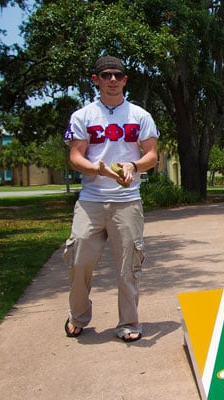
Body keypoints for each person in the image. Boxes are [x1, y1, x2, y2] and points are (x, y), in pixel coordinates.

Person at [62, 55, 160, 343]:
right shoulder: (83, 116)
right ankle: (78, 316)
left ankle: (128, 322)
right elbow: (75, 156)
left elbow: (152, 154)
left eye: (118, 75)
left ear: (125, 80)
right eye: (106, 75)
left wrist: (134, 166)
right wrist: (97, 170)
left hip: (127, 201)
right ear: (96, 80)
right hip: (91, 200)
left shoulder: (140, 116)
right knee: (79, 260)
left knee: (127, 267)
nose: (113, 80)